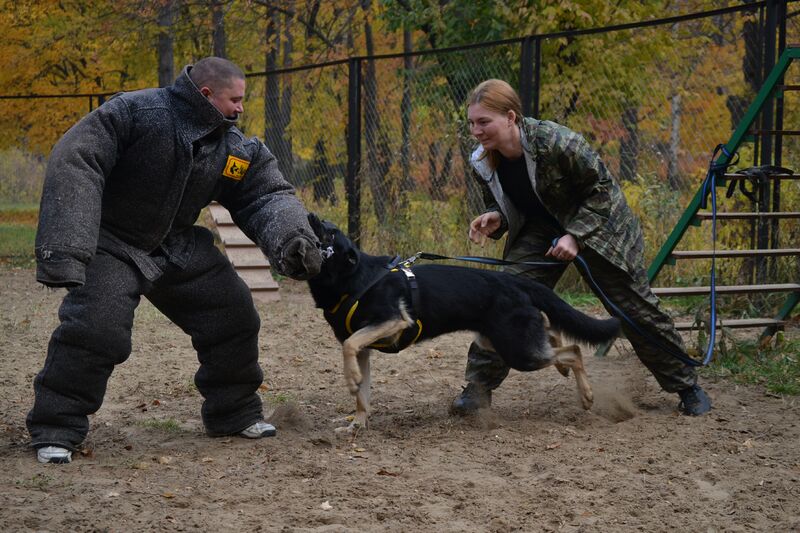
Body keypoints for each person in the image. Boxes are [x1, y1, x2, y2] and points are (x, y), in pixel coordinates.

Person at [28, 57, 324, 464]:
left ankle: (233, 413)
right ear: (206, 95)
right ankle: (56, 429)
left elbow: (266, 194)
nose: (241, 109)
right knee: (97, 332)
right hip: (113, 242)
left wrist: (293, 239)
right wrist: (67, 248)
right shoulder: (136, 113)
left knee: (234, 316)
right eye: (234, 100)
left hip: (177, 245)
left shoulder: (235, 148)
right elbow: (78, 159)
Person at [450, 79, 711, 418]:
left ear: (511, 117)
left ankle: (687, 385)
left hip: (600, 226)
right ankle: (478, 389)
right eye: (471, 123)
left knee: (633, 308)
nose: (476, 131)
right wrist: (495, 216)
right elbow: (503, 201)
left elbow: (602, 191)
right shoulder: (482, 160)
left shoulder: (556, 141)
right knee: (503, 298)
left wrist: (575, 235)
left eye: (484, 122)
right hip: (541, 227)